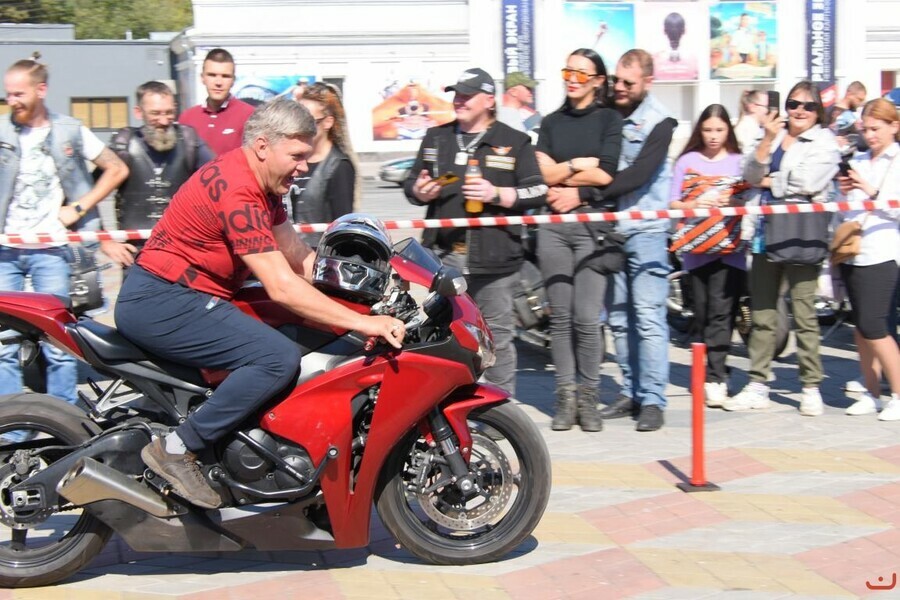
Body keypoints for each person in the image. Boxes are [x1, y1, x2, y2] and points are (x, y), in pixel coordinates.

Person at [115, 99, 405, 508]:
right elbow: (282, 286)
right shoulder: (240, 191)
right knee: (275, 358)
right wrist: (365, 326)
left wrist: (371, 298)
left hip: (189, 294)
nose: (304, 166)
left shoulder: (264, 186)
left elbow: (300, 259)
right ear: (265, 146)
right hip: (163, 298)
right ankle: (178, 449)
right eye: (298, 155)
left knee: (300, 327)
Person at [403, 67, 547, 399]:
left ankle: (498, 411)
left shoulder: (513, 141)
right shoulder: (436, 137)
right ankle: (446, 406)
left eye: (467, 95)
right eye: (456, 94)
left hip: (496, 260)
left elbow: (538, 191)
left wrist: (497, 194)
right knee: (442, 335)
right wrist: (420, 191)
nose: (459, 101)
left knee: (496, 336)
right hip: (442, 261)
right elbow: (412, 185)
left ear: (489, 100)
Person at [0, 55, 129, 405]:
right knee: (4, 346)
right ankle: (12, 428)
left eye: (18, 94)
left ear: (41, 90)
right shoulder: (3, 133)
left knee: (57, 341)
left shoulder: (69, 130)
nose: (11, 101)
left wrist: (79, 207)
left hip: (52, 252)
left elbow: (116, 168)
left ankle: (64, 418)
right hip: (6, 253)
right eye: (8, 94)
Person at [725, 81, 841, 415]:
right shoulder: (771, 135)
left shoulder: (824, 141)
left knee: (804, 313)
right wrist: (766, 141)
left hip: (802, 235)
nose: (799, 111)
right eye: (793, 104)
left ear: (818, 111)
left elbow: (809, 182)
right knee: (762, 314)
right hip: (764, 232)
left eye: (807, 106)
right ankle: (759, 382)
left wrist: (767, 181)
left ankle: (810, 385)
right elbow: (748, 172)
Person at [533, 49, 623, 432]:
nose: (572, 78)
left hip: (591, 229)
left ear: (599, 80)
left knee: (587, 318)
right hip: (553, 227)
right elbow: (542, 173)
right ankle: (565, 397)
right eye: (567, 70)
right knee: (561, 319)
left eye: (581, 73)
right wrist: (576, 165)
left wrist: (567, 181)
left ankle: (589, 395)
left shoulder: (609, 119)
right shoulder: (552, 122)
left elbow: (606, 175)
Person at [588, 49, 677, 432]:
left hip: (648, 230)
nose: (619, 88)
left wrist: (586, 194)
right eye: (616, 81)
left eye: (629, 82)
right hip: (613, 231)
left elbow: (639, 174)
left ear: (648, 82)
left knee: (648, 317)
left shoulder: (661, 122)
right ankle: (631, 390)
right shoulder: (607, 113)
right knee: (620, 320)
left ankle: (654, 399)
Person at [668, 104, 747, 408]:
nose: (713, 137)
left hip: (730, 249)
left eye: (719, 130)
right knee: (700, 314)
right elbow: (673, 203)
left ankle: (717, 376)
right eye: (708, 130)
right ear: (699, 131)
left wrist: (731, 199)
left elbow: (748, 197)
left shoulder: (739, 162)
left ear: (729, 131)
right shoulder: (686, 161)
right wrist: (698, 202)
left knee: (721, 314)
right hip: (696, 249)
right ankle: (702, 373)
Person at [835, 98, 900, 419]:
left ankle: (898, 394)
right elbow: (846, 206)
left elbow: (894, 207)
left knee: (876, 325)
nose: (870, 135)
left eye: (876, 129)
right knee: (861, 327)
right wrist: (846, 189)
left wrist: (869, 189)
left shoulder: (897, 160)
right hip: (853, 250)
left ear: (894, 126)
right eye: (866, 129)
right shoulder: (860, 159)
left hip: (883, 251)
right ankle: (871, 392)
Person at [101, 81, 212, 267]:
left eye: (169, 113)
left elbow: (220, 179)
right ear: (139, 112)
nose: (163, 121)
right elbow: (86, 189)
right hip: (135, 253)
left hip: (182, 250)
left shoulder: (189, 140)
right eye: (155, 114)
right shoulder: (123, 144)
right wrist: (105, 240)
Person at [288, 81, 359, 247]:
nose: (301, 127)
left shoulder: (339, 166)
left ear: (328, 122)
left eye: (309, 121)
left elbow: (343, 228)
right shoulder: (292, 159)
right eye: (298, 120)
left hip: (318, 260)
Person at [178, 48, 255, 157]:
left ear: (233, 80)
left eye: (225, 76)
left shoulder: (250, 116)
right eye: (212, 75)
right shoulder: (187, 118)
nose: (218, 82)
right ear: (202, 78)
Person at [497, 71, 541, 139]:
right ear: (513, 92)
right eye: (527, 88)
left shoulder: (507, 115)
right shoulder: (509, 118)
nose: (531, 92)